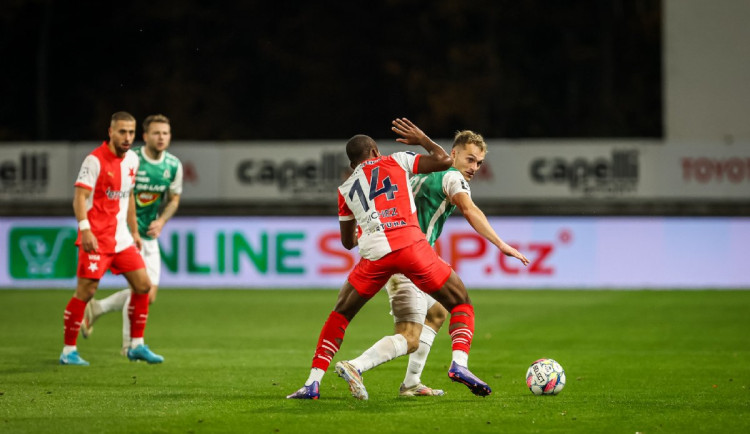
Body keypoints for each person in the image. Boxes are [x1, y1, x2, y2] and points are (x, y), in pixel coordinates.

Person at [287, 118, 492, 400]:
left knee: (346, 313)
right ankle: (361, 366)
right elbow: (443, 160)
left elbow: (348, 242)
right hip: (409, 250)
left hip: (375, 255)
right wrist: (421, 137)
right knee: (448, 309)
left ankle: (313, 382)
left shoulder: (345, 188)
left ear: (352, 165)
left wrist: (374, 223)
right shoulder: (394, 161)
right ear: (374, 152)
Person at [342, 130, 530, 397]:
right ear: (453, 154)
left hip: (392, 254)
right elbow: (469, 209)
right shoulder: (452, 176)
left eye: (479, 163)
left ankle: (411, 383)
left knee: (438, 312)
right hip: (411, 261)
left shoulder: (413, 171)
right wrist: (501, 244)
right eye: (470, 159)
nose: (474, 167)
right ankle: (356, 366)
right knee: (410, 336)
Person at [60, 111, 163, 366]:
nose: (127, 137)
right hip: (95, 238)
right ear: (110, 132)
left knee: (143, 285)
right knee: (86, 291)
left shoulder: (132, 161)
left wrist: (134, 232)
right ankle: (68, 351)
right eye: (122, 132)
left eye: (130, 132)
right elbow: (80, 197)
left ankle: (136, 345)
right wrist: (84, 229)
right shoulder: (94, 161)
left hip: (121, 239)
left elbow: (127, 196)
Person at [80, 114, 183, 355]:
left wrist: (162, 220)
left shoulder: (173, 165)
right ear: (145, 136)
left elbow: (174, 199)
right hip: (125, 233)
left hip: (150, 234)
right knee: (141, 289)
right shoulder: (131, 159)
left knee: (149, 294)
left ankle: (98, 309)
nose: (161, 138)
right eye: (156, 133)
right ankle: (130, 345)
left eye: (165, 133)